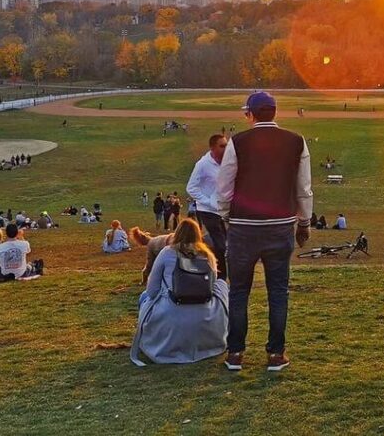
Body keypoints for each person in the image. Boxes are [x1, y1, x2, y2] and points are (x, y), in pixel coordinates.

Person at [217, 91, 313, 372]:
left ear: (251, 114)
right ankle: (275, 354)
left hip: (243, 228)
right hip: (280, 226)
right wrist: (304, 223)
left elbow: (224, 187)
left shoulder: (239, 142)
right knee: (278, 291)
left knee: (239, 292)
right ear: (274, 112)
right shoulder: (296, 141)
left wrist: (226, 217)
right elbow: (303, 187)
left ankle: (235, 353)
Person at [130, 218, 229, 366]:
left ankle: (153, 336)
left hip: (172, 310)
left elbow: (151, 291)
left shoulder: (167, 252)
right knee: (222, 285)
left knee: (143, 296)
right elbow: (213, 285)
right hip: (205, 317)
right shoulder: (208, 256)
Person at [187, 133, 230, 279]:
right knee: (220, 245)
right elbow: (191, 188)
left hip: (223, 210)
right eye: (222, 145)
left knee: (227, 242)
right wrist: (208, 201)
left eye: (226, 145)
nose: (226, 148)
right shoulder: (203, 164)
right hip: (207, 210)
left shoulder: (227, 161)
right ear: (212, 148)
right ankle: (221, 277)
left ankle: (217, 271)